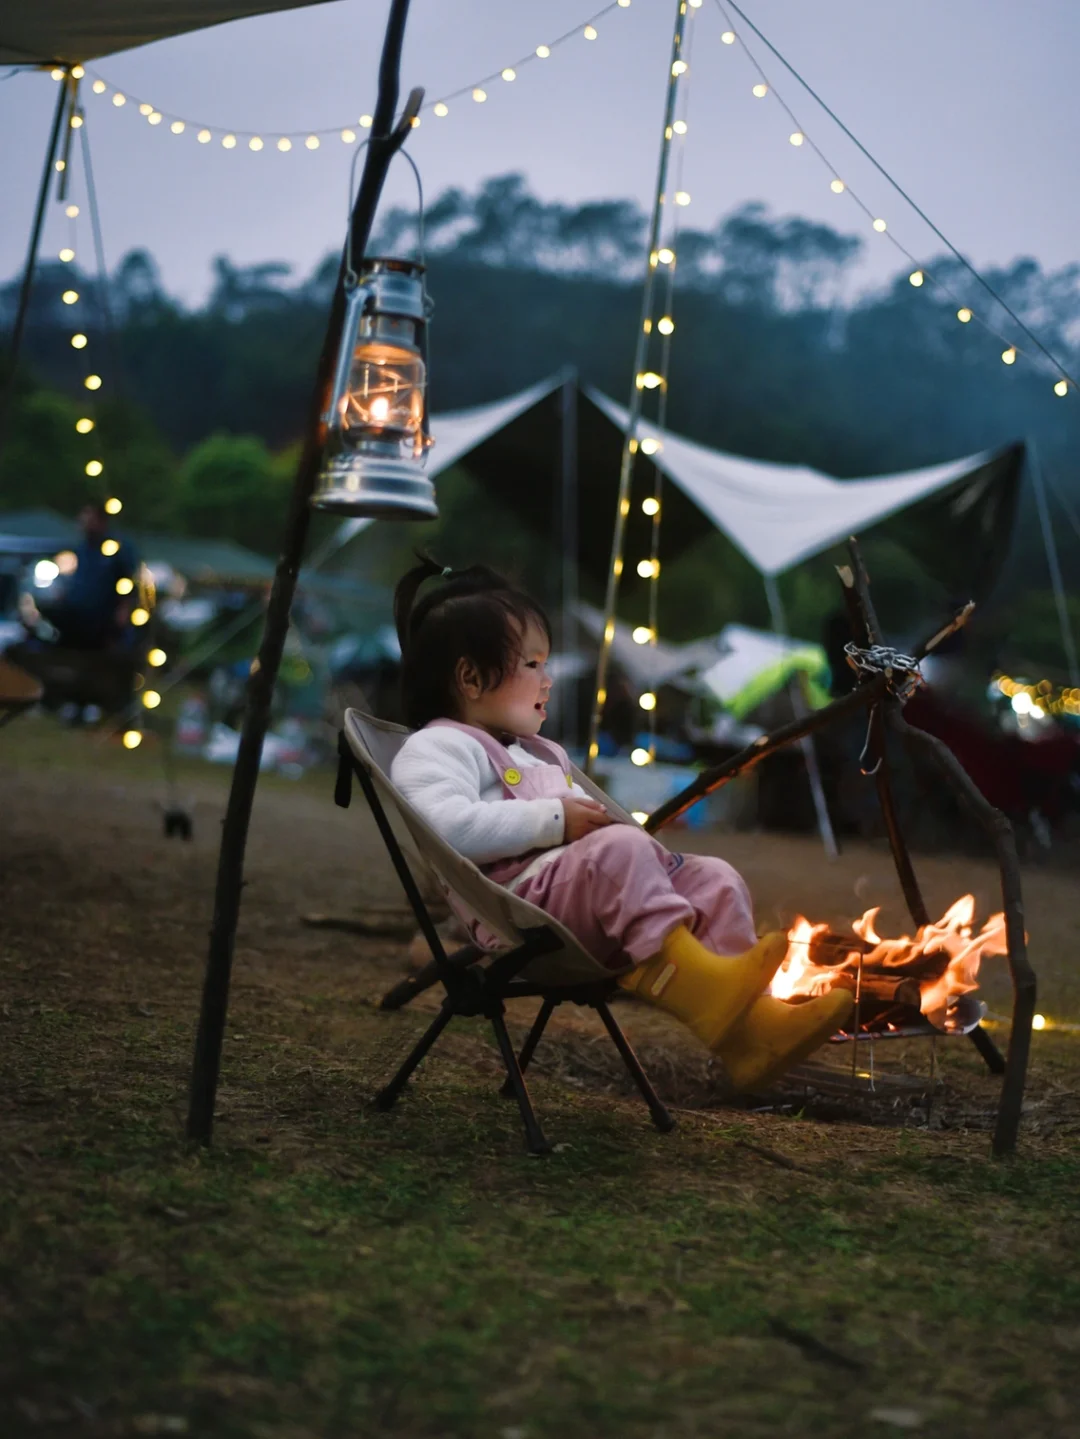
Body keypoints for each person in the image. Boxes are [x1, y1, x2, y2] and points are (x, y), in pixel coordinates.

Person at [390, 558, 853, 1093]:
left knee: (714, 877)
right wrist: (557, 820)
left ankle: (754, 1029)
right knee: (619, 852)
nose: (548, 679)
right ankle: (708, 992)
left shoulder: (537, 751)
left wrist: (611, 836)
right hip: (522, 910)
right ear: (471, 678)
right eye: (533, 664)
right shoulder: (438, 746)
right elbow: (447, 828)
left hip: (585, 898)